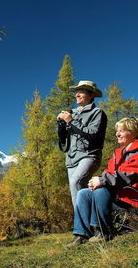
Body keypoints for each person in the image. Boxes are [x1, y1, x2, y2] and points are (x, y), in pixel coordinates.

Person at [67, 117, 138, 246]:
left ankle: (104, 230)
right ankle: (81, 234)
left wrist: (102, 180)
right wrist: (96, 181)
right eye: (117, 131)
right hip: (116, 196)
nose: (117, 134)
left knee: (101, 188)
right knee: (83, 193)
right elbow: (109, 172)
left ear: (133, 132)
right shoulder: (118, 153)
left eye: (122, 131)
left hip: (131, 198)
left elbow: (130, 175)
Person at [57, 80, 107, 208]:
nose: (77, 95)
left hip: (89, 155)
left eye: (81, 92)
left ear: (91, 95)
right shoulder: (71, 113)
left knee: (76, 182)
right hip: (71, 158)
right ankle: (89, 222)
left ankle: (83, 226)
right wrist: (61, 125)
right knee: (76, 194)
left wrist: (71, 121)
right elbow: (64, 140)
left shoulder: (97, 113)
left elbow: (93, 134)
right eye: (76, 92)